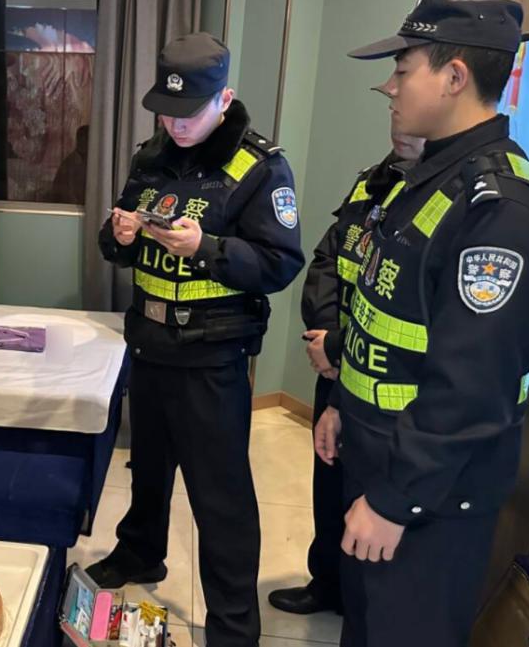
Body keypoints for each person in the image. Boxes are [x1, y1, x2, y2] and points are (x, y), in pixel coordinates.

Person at [315, 0, 529, 647]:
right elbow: (381, 315)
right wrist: (342, 404)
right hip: (380, 462)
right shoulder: (427, 183)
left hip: (428, 500)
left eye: (403, 70)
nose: (392, 88)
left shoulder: (502, 212)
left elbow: (471, 388)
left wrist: (396, 499)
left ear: (454, 77)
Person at [86, 32, 305, 647]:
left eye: (189, 112)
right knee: (148, 469)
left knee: (221, 497)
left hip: (212, 356)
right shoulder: (150, 157)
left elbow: (280, 263)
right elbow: (115, 243)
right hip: (150, 345)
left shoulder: (259, 167)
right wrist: (119, 235)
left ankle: (234, 625)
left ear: (224, 99)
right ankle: (140, 553)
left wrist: (205, 248)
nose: (176, 124)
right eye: (166, 111)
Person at [268, 119, 424, 617]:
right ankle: (327, 584)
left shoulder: (443, 200)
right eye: (394, 113)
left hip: (391, 388)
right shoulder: (373, 181)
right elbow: (328, 260)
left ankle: (361, 603)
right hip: (337, 371)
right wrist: (324, 339)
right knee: (329, 482)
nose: (399, 123)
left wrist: (340, 346)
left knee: (374, 501)